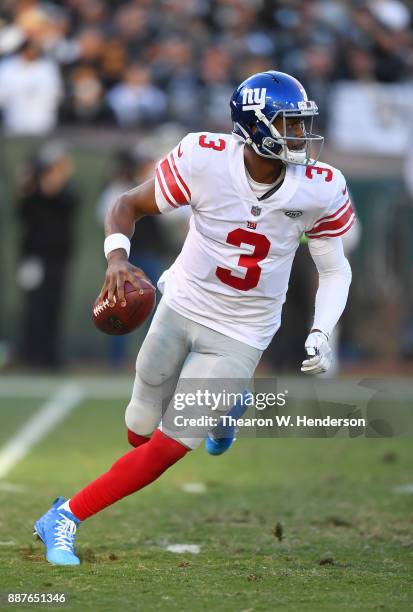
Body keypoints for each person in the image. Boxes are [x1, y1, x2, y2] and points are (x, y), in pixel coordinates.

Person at [34, 71, 355, 565]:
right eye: (289, 125)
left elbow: (334, 267)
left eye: (301, 124)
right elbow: (126, 205)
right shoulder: (203, 158)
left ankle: (64, 516)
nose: (299, 136)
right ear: (254, 127)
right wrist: (117, 259)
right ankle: (229, 407)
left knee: (167, 446)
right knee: (138, 432)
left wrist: (320, 330)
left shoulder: (320, 186)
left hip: (242, 331)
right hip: (180, 304)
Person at [17, 142, 79, 369]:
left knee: (55, 307)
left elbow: (70, 204)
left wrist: (55, 185)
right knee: (34, 307)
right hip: (34, 258)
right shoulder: (31, 194)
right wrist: (30, 186)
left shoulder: (68, 193)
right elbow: (23, 214)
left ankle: (51, 357)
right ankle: (31, 355)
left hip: (58, 258)